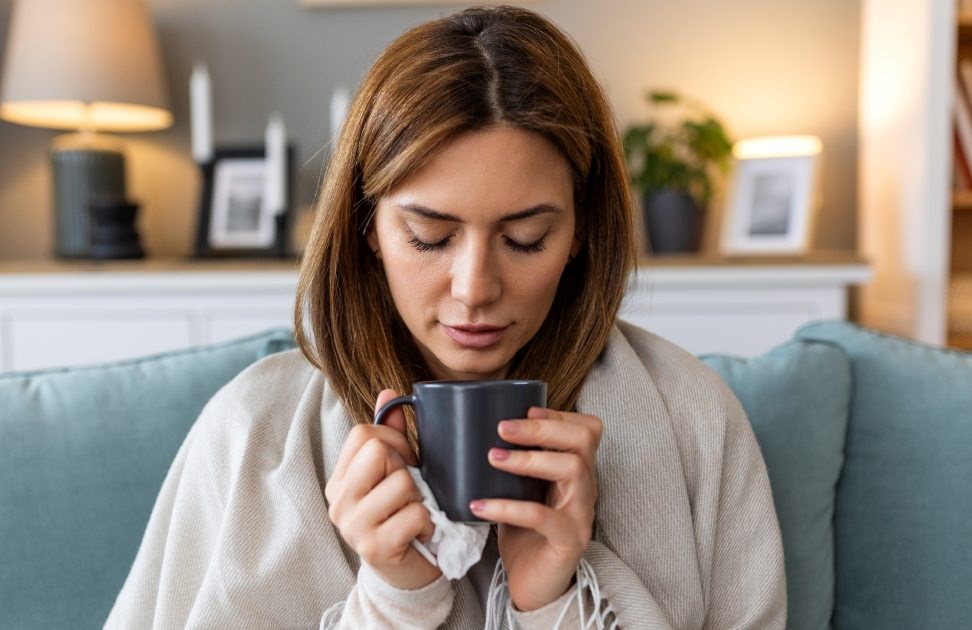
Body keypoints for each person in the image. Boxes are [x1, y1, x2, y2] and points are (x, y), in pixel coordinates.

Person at [105, 5, 786, 629]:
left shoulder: (695, 422)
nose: (475, 289)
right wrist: (396, 597)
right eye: (430, 237)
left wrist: (553, 601)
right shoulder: (250, 434)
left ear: (580, 231)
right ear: (368, 227)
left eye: (526, 239)